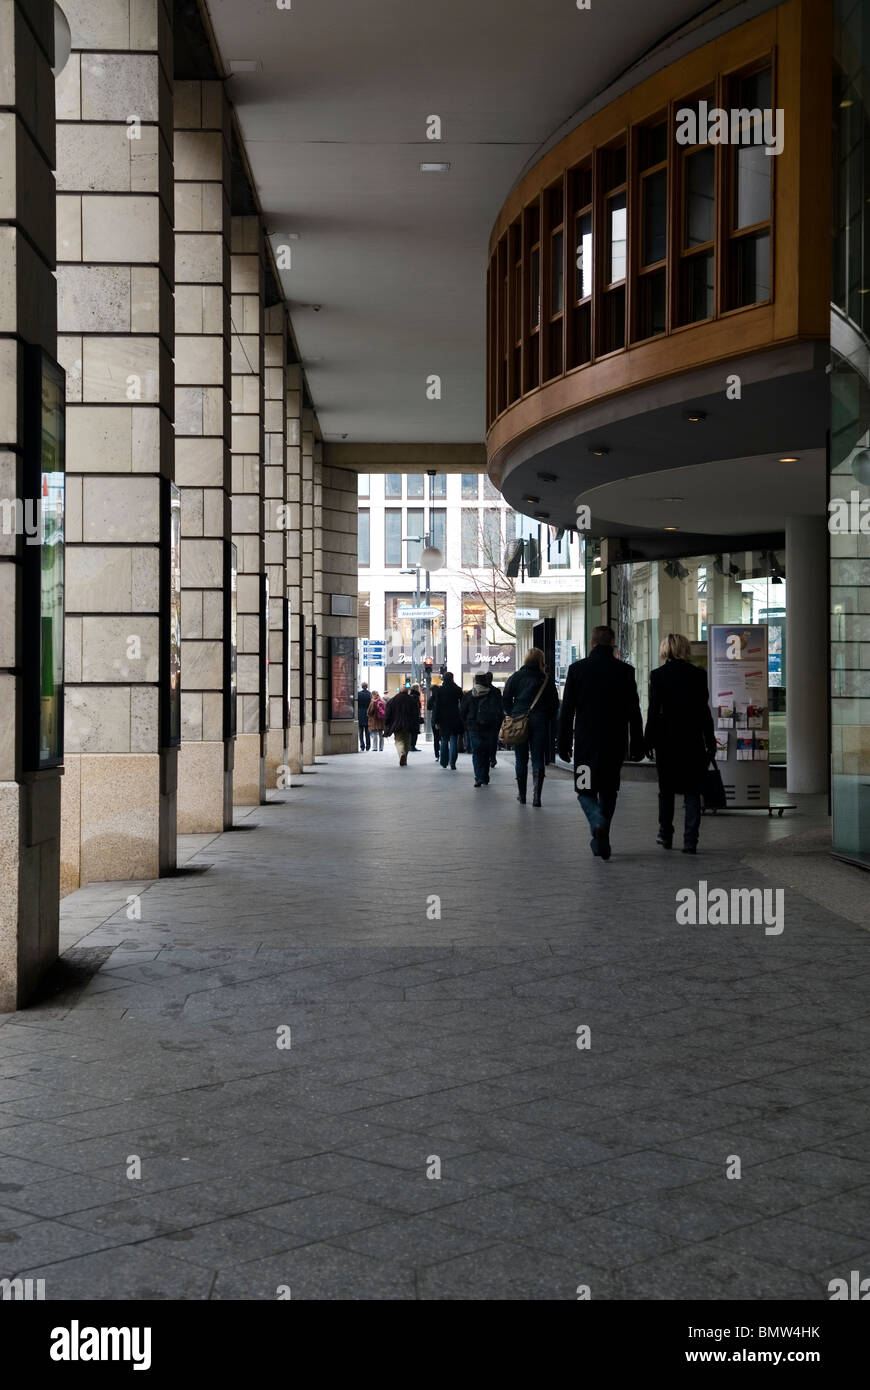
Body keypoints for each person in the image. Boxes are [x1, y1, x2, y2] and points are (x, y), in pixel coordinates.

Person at [558, 626, 643, 859]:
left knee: (585, 788)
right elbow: (634, 711)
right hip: (614, 743)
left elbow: (567, 711)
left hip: (586, 743)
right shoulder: (625, 671)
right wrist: (637, 744)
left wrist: (562, 743)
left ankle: (597, 823)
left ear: (592, 643)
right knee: (608, 789)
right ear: (613, 642)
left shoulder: (577, 670)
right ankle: (602, 834)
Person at [644, 632, 716, 854]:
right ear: (685, 649)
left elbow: (653, 711)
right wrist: (710, 739)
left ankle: (666, 834)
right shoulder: (698, 675)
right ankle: (690, 840)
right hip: (692, 740)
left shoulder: (658, 676)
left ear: (665, 649)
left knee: (666, 790)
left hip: (666, 741)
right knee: (693, 791)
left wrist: (648, 741)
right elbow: (704, 712)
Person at [502, 648, 559, 806]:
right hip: (539, 721)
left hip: (519, 720)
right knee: (538, 757)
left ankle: (522, 795)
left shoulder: (516, 677)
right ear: (540, 661)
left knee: (520, 758)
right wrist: (545, 716)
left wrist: (512, 713)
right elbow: (554, 704)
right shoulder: (545, 679)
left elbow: (505, 697)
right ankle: (537, 797)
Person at [460, 671, 504, 788]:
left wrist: (467, 724)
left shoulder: (469, 695)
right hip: (490, 727)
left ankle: (478, 776)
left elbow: (462, 712)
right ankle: (485, 776)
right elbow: (500, 710)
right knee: (487, 752)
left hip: (474, 727)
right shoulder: (494, 693)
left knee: (477, 752)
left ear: (476, 681)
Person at [384, 685, 420, 767]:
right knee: (407, 741)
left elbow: (388, 713)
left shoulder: (392, 700)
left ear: (399, 691)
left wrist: (386, 723)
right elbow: (416, 713)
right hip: (409, 724)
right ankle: (404, 757)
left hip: (397, 725)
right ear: (407, 692)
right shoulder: (412, 700)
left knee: (399, 741)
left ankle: (401, 754)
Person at [434, 671, 463, 769]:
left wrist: (436, 720)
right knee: (454, 738)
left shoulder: (440, 690)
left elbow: (437, 706)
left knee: (444, 739)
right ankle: (453, 763)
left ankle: (443, 762)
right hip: (455, 717)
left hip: (443, 718)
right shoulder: (457, 689)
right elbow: (462, 704)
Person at [356, 681, 372, 751]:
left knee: (361, 732)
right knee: (367, 732)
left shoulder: (358, 694)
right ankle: (368, 746)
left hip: (360, 714)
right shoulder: (370, 694)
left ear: (362, 686)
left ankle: (362, 746)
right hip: (367, 714)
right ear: (367, 686)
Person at [409, 684, 423, 751]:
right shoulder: (416, 696)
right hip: (414, 717)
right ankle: (412, 746)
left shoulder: (410, 696)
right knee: (414, 732)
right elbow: (416, 708)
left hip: (411, 717)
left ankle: (411, 746)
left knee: (411, 732)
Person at [428, 683, 441, 761]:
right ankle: (444, 753)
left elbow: (429, 708)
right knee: (443, 738)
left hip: (434, 720)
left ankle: (437, 755)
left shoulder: (432, 698)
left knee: (436, 738)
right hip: (442, 720)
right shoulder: (441, 698)